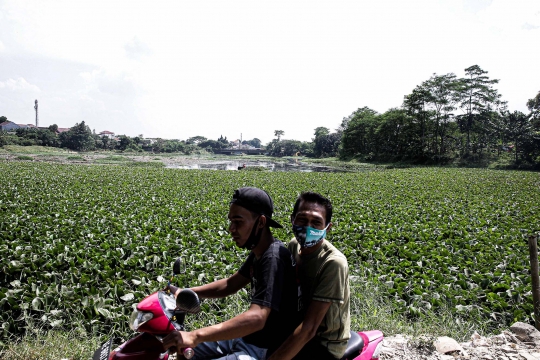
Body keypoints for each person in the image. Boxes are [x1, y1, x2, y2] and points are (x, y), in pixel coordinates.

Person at [163, 187, 299, 359]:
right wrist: (187, 292)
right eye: (231, 221)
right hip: (247, 338)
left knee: (190, 341)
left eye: (238, 222)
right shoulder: (260, 252)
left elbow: (258, 317)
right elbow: (230, 285)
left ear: (261, 222)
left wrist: (195, 335)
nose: (231, 229)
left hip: (262, 348)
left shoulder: (273, 258)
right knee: (182, 349)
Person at [268, 192, 350, 360]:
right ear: (292, 219)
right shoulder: (293, 245)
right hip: (296, 325)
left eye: (316, 222)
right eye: (302, 220)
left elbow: (309, 328)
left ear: (328, 227)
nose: (308, 227)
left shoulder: (333, 263)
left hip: (324, 343)